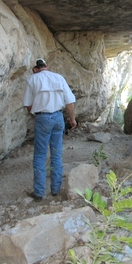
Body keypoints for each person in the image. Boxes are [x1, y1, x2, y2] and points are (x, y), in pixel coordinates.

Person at [23, 58, 77, 200]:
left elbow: (28, 104)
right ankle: (55, 190)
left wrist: (35, 116)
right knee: (56, 154)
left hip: (43, 117)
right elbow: (69, 103)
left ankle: (39, 192)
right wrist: (72, 119)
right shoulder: (59, 78)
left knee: (40, 155)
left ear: (35, 69)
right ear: (46, 66)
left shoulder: (32, 79)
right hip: (58, 117)